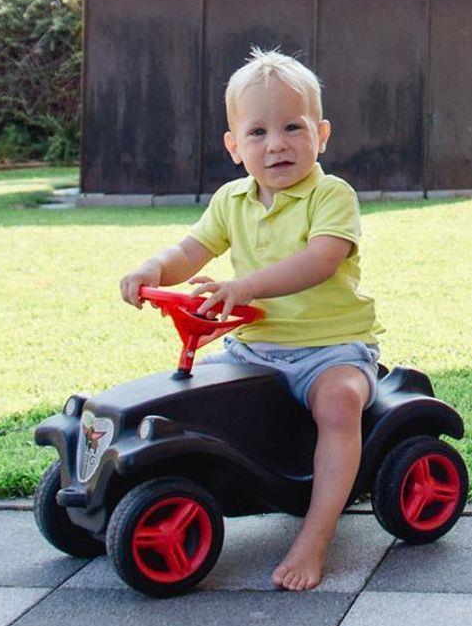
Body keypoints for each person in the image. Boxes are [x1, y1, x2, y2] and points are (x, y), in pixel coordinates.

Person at [118, 47, 382, 591]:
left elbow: (321, 259)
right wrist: (154, 269)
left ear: (321, 135)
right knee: (195, 399)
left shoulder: (331, 196)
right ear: (234, 147)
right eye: (258, 132)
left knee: (338, 404)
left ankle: (316, 535)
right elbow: (190, 251)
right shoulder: (230, 201)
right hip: (252, 349)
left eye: (292, 127)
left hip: (331, 348)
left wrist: (245, 286)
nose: (277, 144)